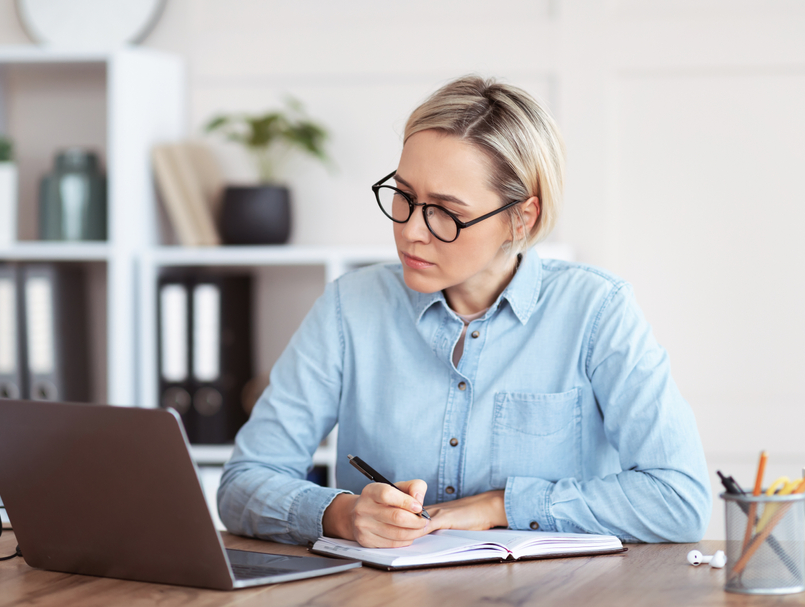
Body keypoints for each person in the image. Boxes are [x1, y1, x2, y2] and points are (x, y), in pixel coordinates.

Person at [218, 76, 711, 548]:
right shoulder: (350, 307)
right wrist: (343, 515)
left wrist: (502, 506)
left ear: (522, 217)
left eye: (445, 212)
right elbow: (244, 483)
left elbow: (679, 499)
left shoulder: (597, 312)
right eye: (404, 197)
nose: (411, 231)